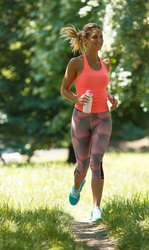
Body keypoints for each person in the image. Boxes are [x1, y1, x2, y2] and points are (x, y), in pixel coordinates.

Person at [60, 23, 118, 222]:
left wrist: (111, 98)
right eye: (95, 37)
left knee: (96, 161)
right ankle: (77, 187)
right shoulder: (76, 63)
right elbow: (64, 90)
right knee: (82, 165)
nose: (99, 41)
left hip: (103, 118)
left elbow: (102, 88)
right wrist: (77, 99)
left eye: (101, 37)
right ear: (85, 41)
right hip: (81, 118)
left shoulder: (106, 63)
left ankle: (96, 208)